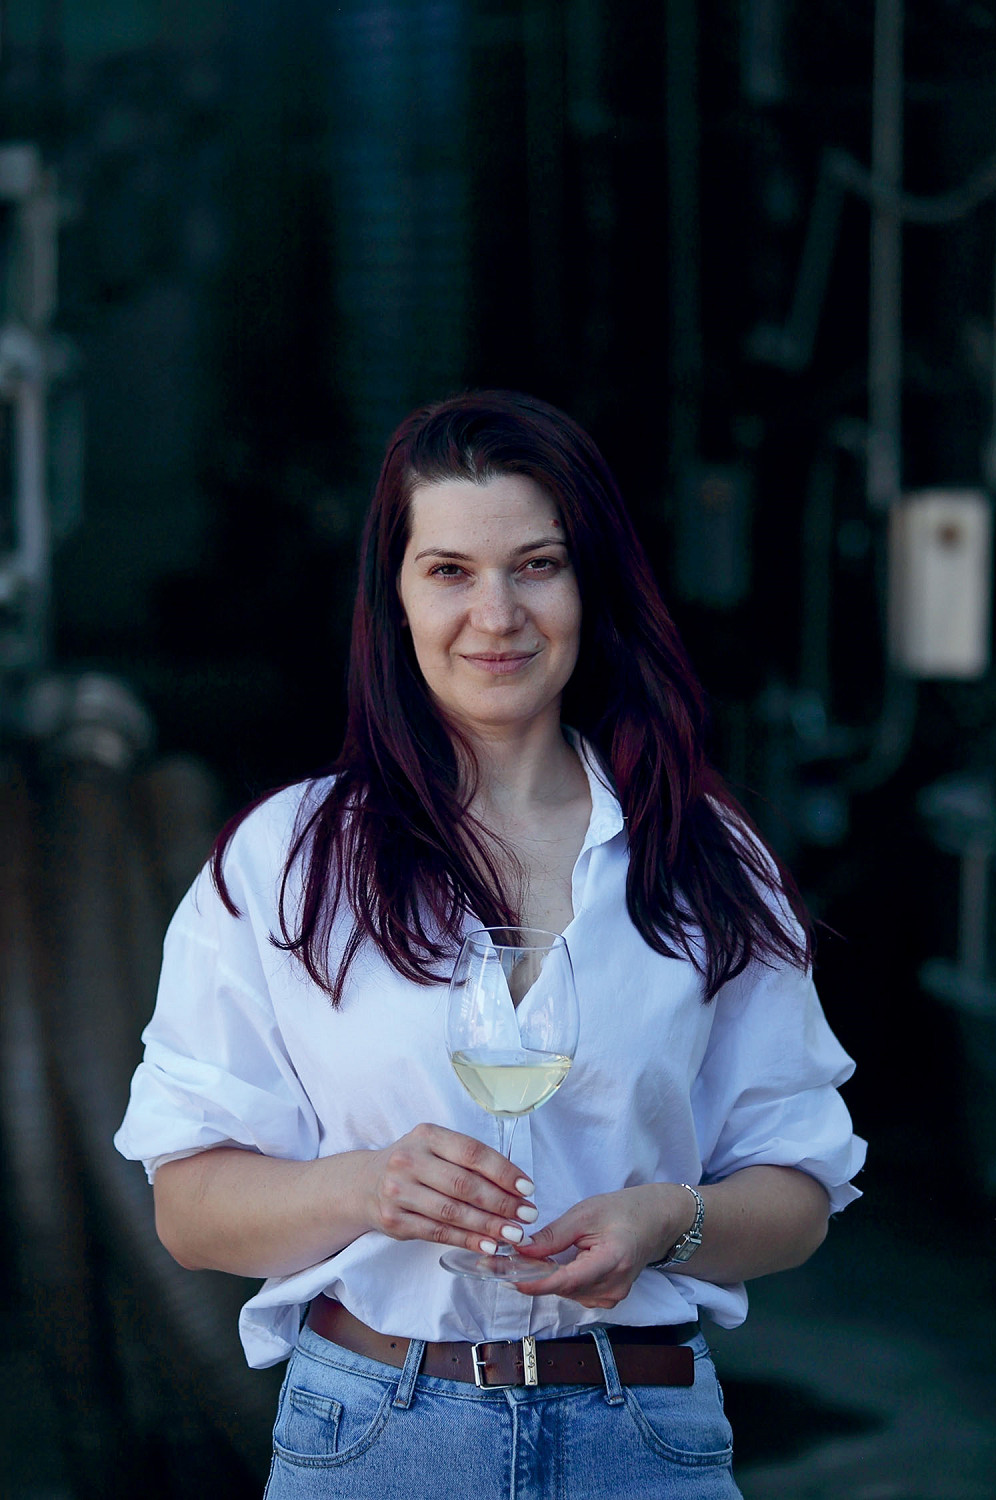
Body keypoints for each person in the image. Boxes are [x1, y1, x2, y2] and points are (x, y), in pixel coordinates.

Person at [115, 390, 865, 1498]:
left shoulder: (702, 857)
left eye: (537, 566)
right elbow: (188, 1215)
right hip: (374, 1435)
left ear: (589, 583)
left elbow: (798, 1197)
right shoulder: (285, 864)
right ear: (396, 599)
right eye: (449, 571)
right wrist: (366, 1188)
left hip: (641, 1436)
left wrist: (669, 1219)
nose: (497, 614)